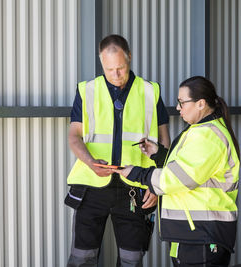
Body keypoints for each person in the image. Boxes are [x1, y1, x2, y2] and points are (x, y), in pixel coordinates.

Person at [64, 34, 170, 267]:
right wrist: (91, 162)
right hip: (92, 186)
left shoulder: (150, 92)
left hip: (136, 187)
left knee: (132, 260)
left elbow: (164, 141)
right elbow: (74, 136)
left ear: (129, 58)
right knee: (82, 259)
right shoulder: (87, 91)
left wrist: (157, 184)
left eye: (120, 68)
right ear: (101, 62)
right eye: (109, 69)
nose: (115, 75)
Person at [114, 76, 241, 267]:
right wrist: (159, 154)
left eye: (182, 102)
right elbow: (187, 167)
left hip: (201, 236)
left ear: (200, 104)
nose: (178, 108)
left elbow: (176, 178)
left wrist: (137, 173)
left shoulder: (207, 136)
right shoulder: (200, 130)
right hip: (194, 234)